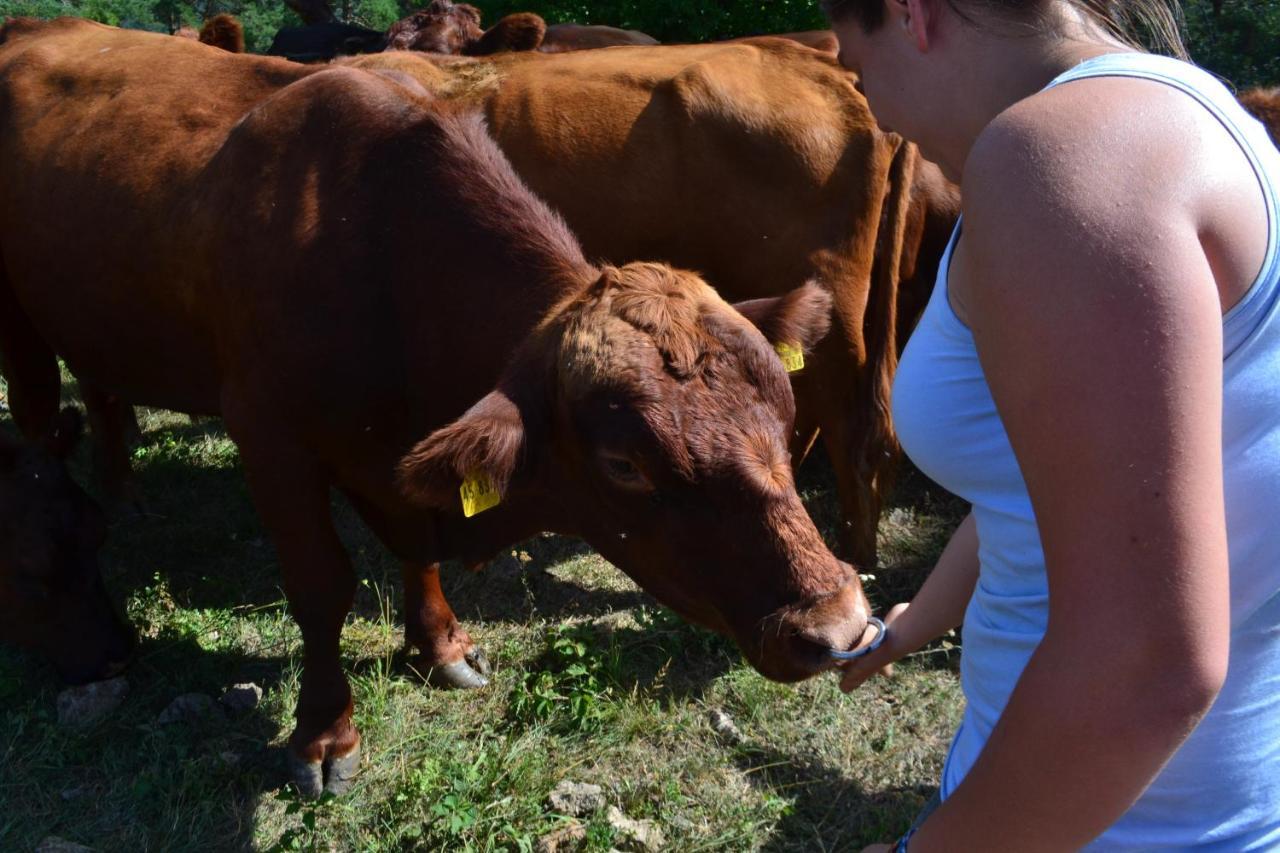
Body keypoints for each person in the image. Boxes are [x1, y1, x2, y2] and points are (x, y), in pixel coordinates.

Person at [822, 0, 1280, 850]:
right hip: (1126, 794)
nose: (873, 106)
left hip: (1121, 826)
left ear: (913, 14)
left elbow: (1148, 665)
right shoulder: (1189, 107)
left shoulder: (1064, 158)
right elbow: (1058, 482)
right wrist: (919, 618)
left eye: (858, 67)